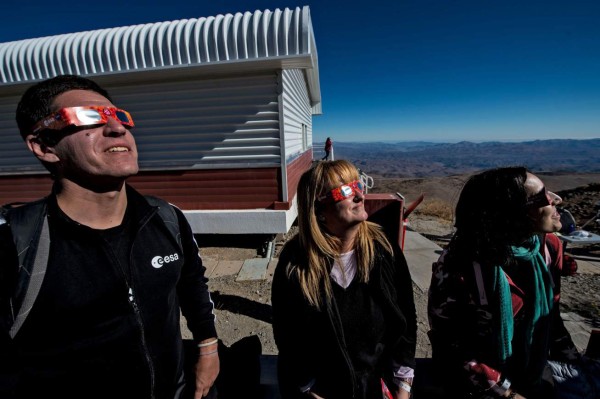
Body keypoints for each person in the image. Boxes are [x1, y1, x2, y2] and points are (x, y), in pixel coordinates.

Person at [0, 75, 219, 399]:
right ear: (45, 145)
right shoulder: (14, 243)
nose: (117, 129)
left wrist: (208, 347)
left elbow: (192, 284)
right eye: (88, 116)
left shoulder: (165, 218)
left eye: (119, 116)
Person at [427, 167, 582, 399]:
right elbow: (451, 345)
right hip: (480, 387)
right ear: (511, 213)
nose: (555, 201)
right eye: (541, 198)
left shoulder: (547, 248)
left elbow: (551, 314)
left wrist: (576, 364)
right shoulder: (462, 263)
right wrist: (507, 393)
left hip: (535, 372)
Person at [271, 160, 417, 399]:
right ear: (319, 211)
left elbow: (405, 320)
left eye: (357, 184)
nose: (359, 195)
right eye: (346, 191)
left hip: (375, 389)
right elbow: (287, 335)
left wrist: (403, 385)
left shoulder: (384, 249)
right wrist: (307, 387)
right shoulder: (295, 261)